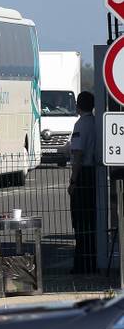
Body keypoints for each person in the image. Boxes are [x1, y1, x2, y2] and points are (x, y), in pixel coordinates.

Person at [68, 91, 96, 275]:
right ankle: (92, 260)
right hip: (95, 173)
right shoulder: (96, 123)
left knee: (80, 221)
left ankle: (81, 264)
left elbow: (78, 154)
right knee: (92, 221)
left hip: (83, 175)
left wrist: (73, 180)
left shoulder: (80, 124)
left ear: (78, 105)